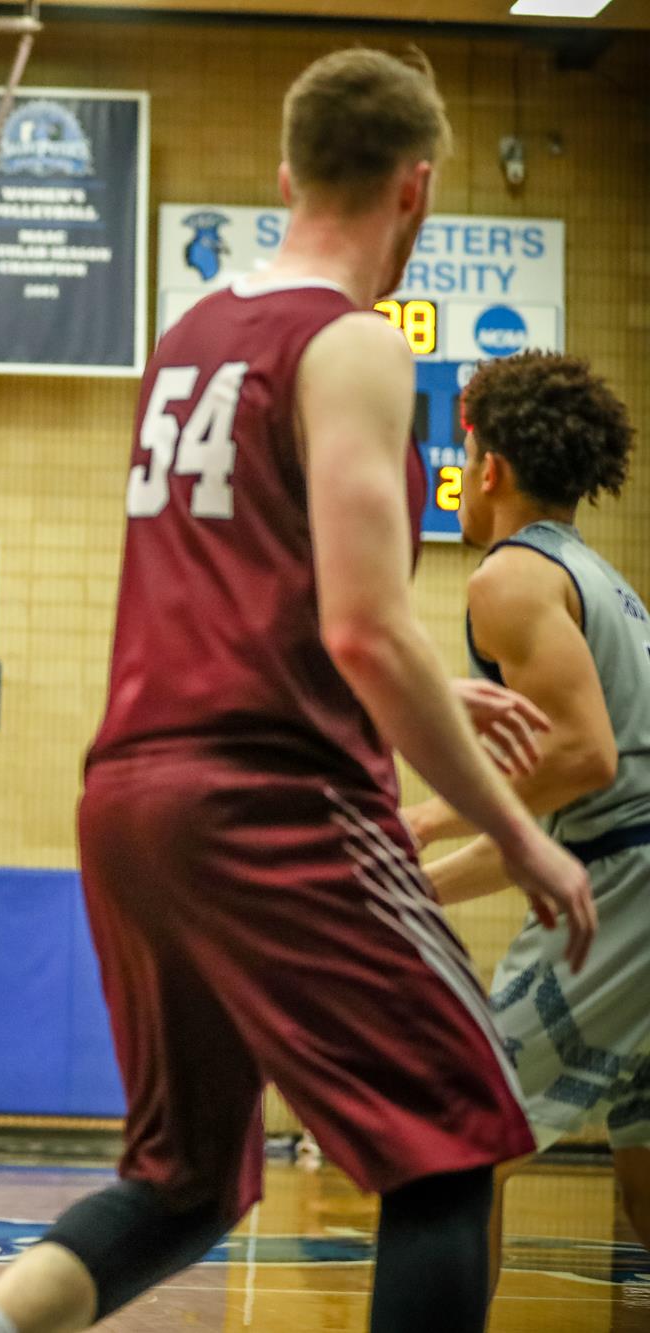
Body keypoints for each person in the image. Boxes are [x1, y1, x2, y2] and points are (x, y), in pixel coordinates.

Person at [0, 50, 595, 1333]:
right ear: (414, 189)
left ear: (285, 175)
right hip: (270, 801)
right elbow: (361, 629)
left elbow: (256, 598)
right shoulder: (350, 344)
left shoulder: (189, 334)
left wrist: (428, 687)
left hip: (131, 801)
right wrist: (518, 837)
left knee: (181, 1182)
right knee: (453, 1144)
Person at [400, 351, 645, 1279]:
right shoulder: (602, 579)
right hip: (623, 864)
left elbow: (582, 757)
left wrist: (432, 816)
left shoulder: (510, 577)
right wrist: (423, 883)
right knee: (646, 1186)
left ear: (490, 467)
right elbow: (564, 818)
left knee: (456, 1141)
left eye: (465, 456)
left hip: (628, 888)